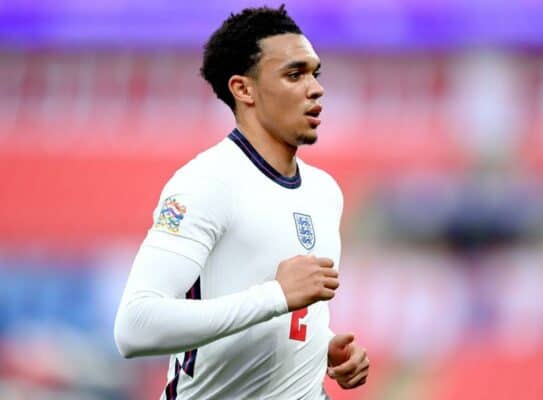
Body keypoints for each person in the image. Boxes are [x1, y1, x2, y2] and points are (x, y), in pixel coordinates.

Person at [113, 5, 369, 399]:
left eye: (315, 73)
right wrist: (276, 296)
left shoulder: (324, 191)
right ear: (243, 89)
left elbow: (287, 306)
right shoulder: (206, 184)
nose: (315, 88)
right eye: (294, 74)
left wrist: (323, 346)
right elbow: (135, 327)